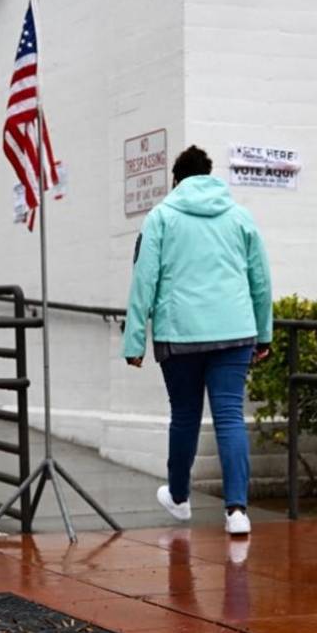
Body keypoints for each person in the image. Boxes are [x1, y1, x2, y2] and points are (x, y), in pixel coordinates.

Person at [123, 145, 273, 536]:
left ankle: (179, 496)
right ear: (209, 176)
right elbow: (260, 279)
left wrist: (134, 341)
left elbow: (144, 280)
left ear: (176, 180)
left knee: (185, 415)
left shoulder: (161, 218)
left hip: (180, 334)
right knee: (229, 416)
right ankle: (237, 511)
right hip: (236, 332)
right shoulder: (240, 217)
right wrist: (265, 332)